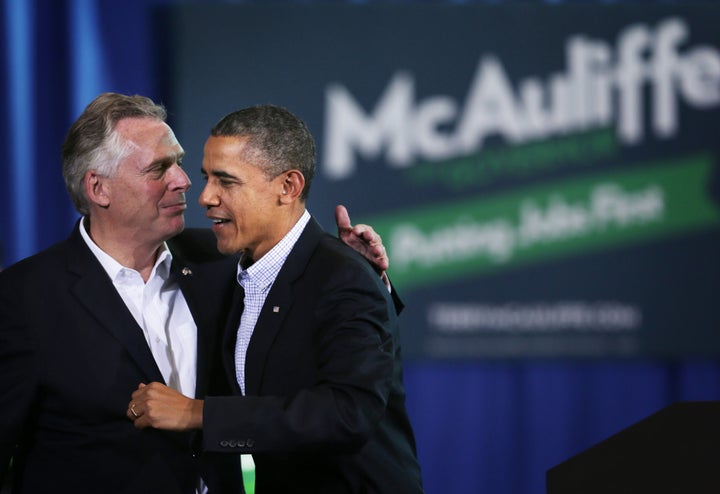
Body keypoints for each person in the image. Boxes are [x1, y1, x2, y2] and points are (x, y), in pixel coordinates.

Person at [0, 93, 393, 494]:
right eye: (159, 169)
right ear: (99, 188)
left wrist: (362, 272)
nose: (185, 182)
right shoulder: (24, 298)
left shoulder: (221, 260)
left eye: (179, 163)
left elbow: (323, 322)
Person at [128, 104, 424, 493]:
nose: (205, 197)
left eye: (226, 182)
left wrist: (196, 413)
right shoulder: (234, 268)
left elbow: (347, 414)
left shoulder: (342, 277)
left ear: (288, 187)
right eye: (206, 178)